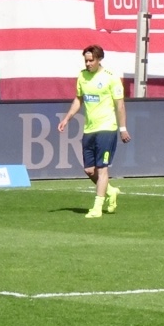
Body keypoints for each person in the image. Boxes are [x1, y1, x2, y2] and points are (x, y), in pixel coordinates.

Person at [56, 44, 130, 220]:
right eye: (86, 60)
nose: (88, 63)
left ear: (99, 60)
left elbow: (120, 104)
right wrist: (67, 119)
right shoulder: (82, 76)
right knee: (89, 170)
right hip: (89, 129)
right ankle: (111, 191)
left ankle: (97, 207)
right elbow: (78, 99)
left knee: (102, 168)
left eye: (91, 60)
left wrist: (122, 128)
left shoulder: (111, 78)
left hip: (107, 128)